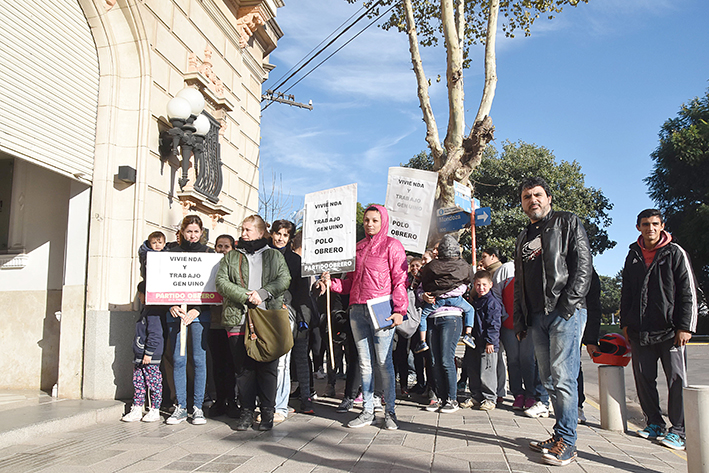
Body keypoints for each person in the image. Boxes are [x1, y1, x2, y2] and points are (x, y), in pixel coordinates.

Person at [513, 176, 592, 466]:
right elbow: (520, 282)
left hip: (563, 314)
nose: (532, 200)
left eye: (537, 195)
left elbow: (583, 265)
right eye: (526, 197)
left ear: (548, 198)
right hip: (536, 318)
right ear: (522, 204)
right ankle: (560, 433)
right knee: (548, 380)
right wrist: (520, 320)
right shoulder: (522, 238)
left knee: (563, 378)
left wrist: (568, 305)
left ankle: (568, 444)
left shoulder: (567, 222)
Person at [317, 204, 407, 430]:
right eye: (367, 220)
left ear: (383, 221)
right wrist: (332, 283)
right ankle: (367, 410)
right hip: (357, 309)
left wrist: (399, 310)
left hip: (382, 308)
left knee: (384, 363)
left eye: (375, 220)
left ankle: (390, 412)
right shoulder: (357, 248)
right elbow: (350, 283)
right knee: (365, 363)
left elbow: (400, 280)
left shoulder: (393, 246)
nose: (370, 224)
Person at [620, 208, 698, 451]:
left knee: (676, 380)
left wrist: (686, 327)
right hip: (640, 330)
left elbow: (688, 292)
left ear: (662, 226)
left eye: (655, 224)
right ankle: (654, 423)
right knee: (643, 378)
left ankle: (679, 430)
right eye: (645, 224)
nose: (650, 228)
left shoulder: (675, 253)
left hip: (671, 331)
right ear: (638, 228)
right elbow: (627, 293)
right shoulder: (632, 255)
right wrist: (625, 322)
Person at [216, 215, 291, 431]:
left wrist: (262, 293)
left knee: (267, 367)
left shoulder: (274, 256)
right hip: (237, 318)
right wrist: (244, 295)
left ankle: (268, 411)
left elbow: (283, 279)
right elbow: (221, 282)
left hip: (267, 319)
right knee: (243, 369)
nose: (243, 233)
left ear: (260, 232)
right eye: (242, 229)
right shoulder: (231, 257)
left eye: (248, 230)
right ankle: (246, 411)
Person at [165, 215, 214, 425]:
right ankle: (181, 406)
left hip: (198, 315)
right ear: (182, 232)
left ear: (201, 232)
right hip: (177, 314)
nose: (192, 235)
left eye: (196, 231)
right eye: (189, 231)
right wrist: (171, 304)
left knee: (199, 360)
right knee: (178, 359)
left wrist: (198, 308)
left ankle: (198, 407)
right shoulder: (171, 253)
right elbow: (163, 282)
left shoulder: (208, 254)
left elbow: (213, 286)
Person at [420, 236, 474, 414]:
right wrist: (424, 296)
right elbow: (420, 286)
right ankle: (442, 398)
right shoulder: (432, 268)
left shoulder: (461, 267)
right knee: (434, 360)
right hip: (433, 316)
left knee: (445, 359)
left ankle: (452, 399)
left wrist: (438, 293)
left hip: (451, 317)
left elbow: (467, 286)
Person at [270, 220, 316, 420]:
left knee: (291, 360)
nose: (280, 238)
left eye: (285, 235)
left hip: (291, 315)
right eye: (278, 233)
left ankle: (294, 400)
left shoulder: (296, 262)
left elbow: (301, 293)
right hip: (266, 314)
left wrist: (302, 319)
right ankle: (269, 400)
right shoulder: (264, 256)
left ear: (290, 238)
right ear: (272, 234)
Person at [414, 235, 475, 356]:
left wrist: (426, 295)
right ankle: (468, 334)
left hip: (436, 302)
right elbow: (469, 282)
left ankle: (422, 341)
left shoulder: (430, 267)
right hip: (456, 302)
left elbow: (420, 283)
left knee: (423, 316)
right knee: (470, 310)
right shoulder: (464, 266)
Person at [207, 234, 238, 418]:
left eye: (227, 246)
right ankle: (219, 400)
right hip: (214, 322)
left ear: (233, 248)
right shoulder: (210, 265)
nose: (223, 249)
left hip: (233, 323)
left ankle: (232, 400)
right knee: (218, 364)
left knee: (232, 364)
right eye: (219, 246)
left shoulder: (237, 266)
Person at [479, 247, 515, 405]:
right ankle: (497, 391)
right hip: (494, 322)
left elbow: (496, 300)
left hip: (501, 322)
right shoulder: (488, 272)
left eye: (484, 256)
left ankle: (498, 391)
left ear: (493, 256)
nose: (482, 260)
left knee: (499, 358)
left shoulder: (503, 270)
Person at [121, 301, 164, 423]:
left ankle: (155, 409)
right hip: (140, 355)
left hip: (150, 356)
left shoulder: (154, 312)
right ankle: (137, 408)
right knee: (138, 382)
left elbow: (155, 334)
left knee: (154, 382)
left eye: (140, 295)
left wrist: (149, 352)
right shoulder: (145, 311)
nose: (139, 298)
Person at [467, 269, 503, 411]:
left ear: (490, 285)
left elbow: (494, 323)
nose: (481, 288)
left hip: (488, 343)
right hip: (476, 341)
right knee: (474, 369)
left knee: (487, 371)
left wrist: (491, 341)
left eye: (484, 285)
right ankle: (476, 395)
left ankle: (490, 398)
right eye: (478, 285)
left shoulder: (492, 302)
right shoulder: (475, 301)